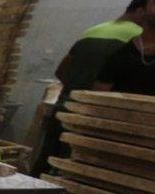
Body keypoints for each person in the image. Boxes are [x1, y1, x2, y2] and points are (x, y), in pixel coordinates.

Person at [33, 3, 143, 174]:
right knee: (72, 170)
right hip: (94, 116)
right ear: (140, 10)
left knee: (46, 161)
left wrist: (76, 86)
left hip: (65, 107)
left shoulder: (93, 30)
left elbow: (61, 70)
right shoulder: (139, 36)